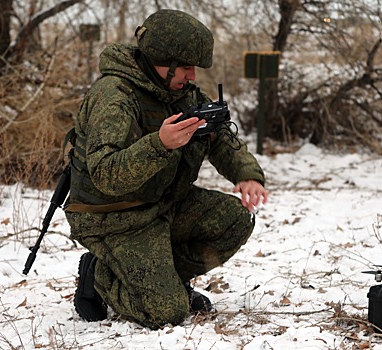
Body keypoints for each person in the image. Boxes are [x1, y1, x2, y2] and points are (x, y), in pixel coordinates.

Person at [64, 9, 268, 329]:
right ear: (163, 60)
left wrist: (247, 174)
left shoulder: (181, 93)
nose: (192, 76)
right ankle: (100, 272)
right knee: (166, 314)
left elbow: (217, 135)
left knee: (235, 220)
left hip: (163, 204)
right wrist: (159, 145)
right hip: (113, 216)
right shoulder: (114, 96)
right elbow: (105, 174)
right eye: (186, 67)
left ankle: (167, 279)